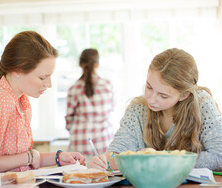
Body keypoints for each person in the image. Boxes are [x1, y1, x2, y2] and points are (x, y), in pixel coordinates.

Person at [0, 31, 86, 173]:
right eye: (42, 77)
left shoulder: (21, 99)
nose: (49, 84)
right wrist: (29, 156)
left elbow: (26, 160)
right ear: (17, 71)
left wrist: (58, 157)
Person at [88, 48, 222, 171]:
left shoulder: (202, 104)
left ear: (183, 95)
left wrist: (162, 158)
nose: (151, 99)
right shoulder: (137, 109)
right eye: (149, 87)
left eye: (163, 95)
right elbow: (118, 152)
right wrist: (104, 161)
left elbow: (219, 156)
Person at [65, 48, 114, 160]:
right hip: (104, 142)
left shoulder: (74, 88)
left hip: (79, 144)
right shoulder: (107, 85)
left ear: (81, 65)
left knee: (79, 176)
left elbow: (69, 119)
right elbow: (111, 109)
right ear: (97, 65)